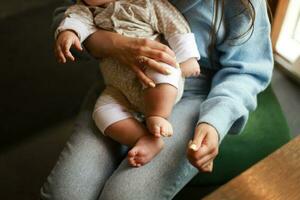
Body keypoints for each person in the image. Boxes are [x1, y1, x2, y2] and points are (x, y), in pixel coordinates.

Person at [41, 0, 273, 199]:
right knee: (65, 193)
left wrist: (214, 122)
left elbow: (247, 71)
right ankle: (140, 135)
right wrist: (113, 44)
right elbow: (71, 12)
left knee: (124, 196)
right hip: (118, 84)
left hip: (191, 90)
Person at [54, 0, 201, 167]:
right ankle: (143, 138)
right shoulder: (87, 11)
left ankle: (158, 115)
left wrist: (187, 57)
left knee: (165, 69)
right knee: (102, 112)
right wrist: (69, 32)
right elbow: (74, 20)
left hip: (154, 74)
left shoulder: (146, 4)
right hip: (119, 89)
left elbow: (174, 25)